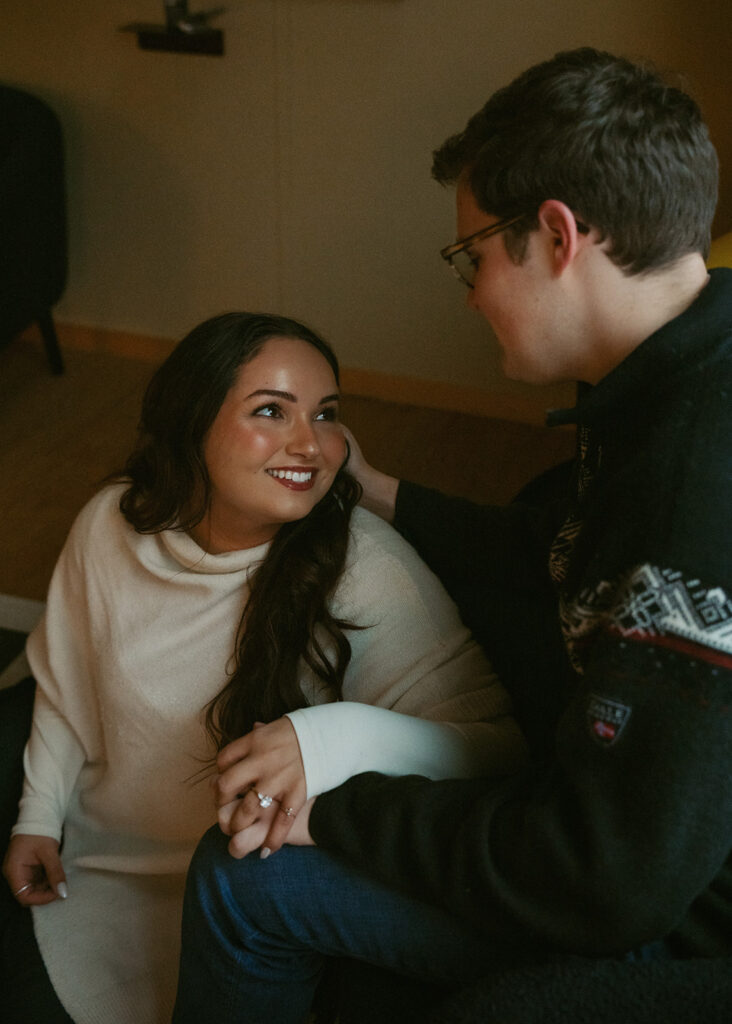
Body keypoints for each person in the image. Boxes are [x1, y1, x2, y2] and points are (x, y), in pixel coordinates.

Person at [171, 47, 732, 1024]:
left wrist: (339, 807)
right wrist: (384, 491)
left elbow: (605, 880)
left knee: (240, 880)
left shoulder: (692, 488)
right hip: (648, 843)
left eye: (471, 257)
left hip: (677, 918)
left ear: (556, 237)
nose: (469, 291)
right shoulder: (676, 375)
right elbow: (562, 556)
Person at [0, 312, 526, 1024]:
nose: (310, 444)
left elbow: (497, 745)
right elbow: (67, 684)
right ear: (193, 422)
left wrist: (333, 734)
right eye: (271, 411)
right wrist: (37, 816)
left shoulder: (367, 569)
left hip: (246, 895)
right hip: (97, 855)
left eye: (326, 414)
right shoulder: (109, 523)